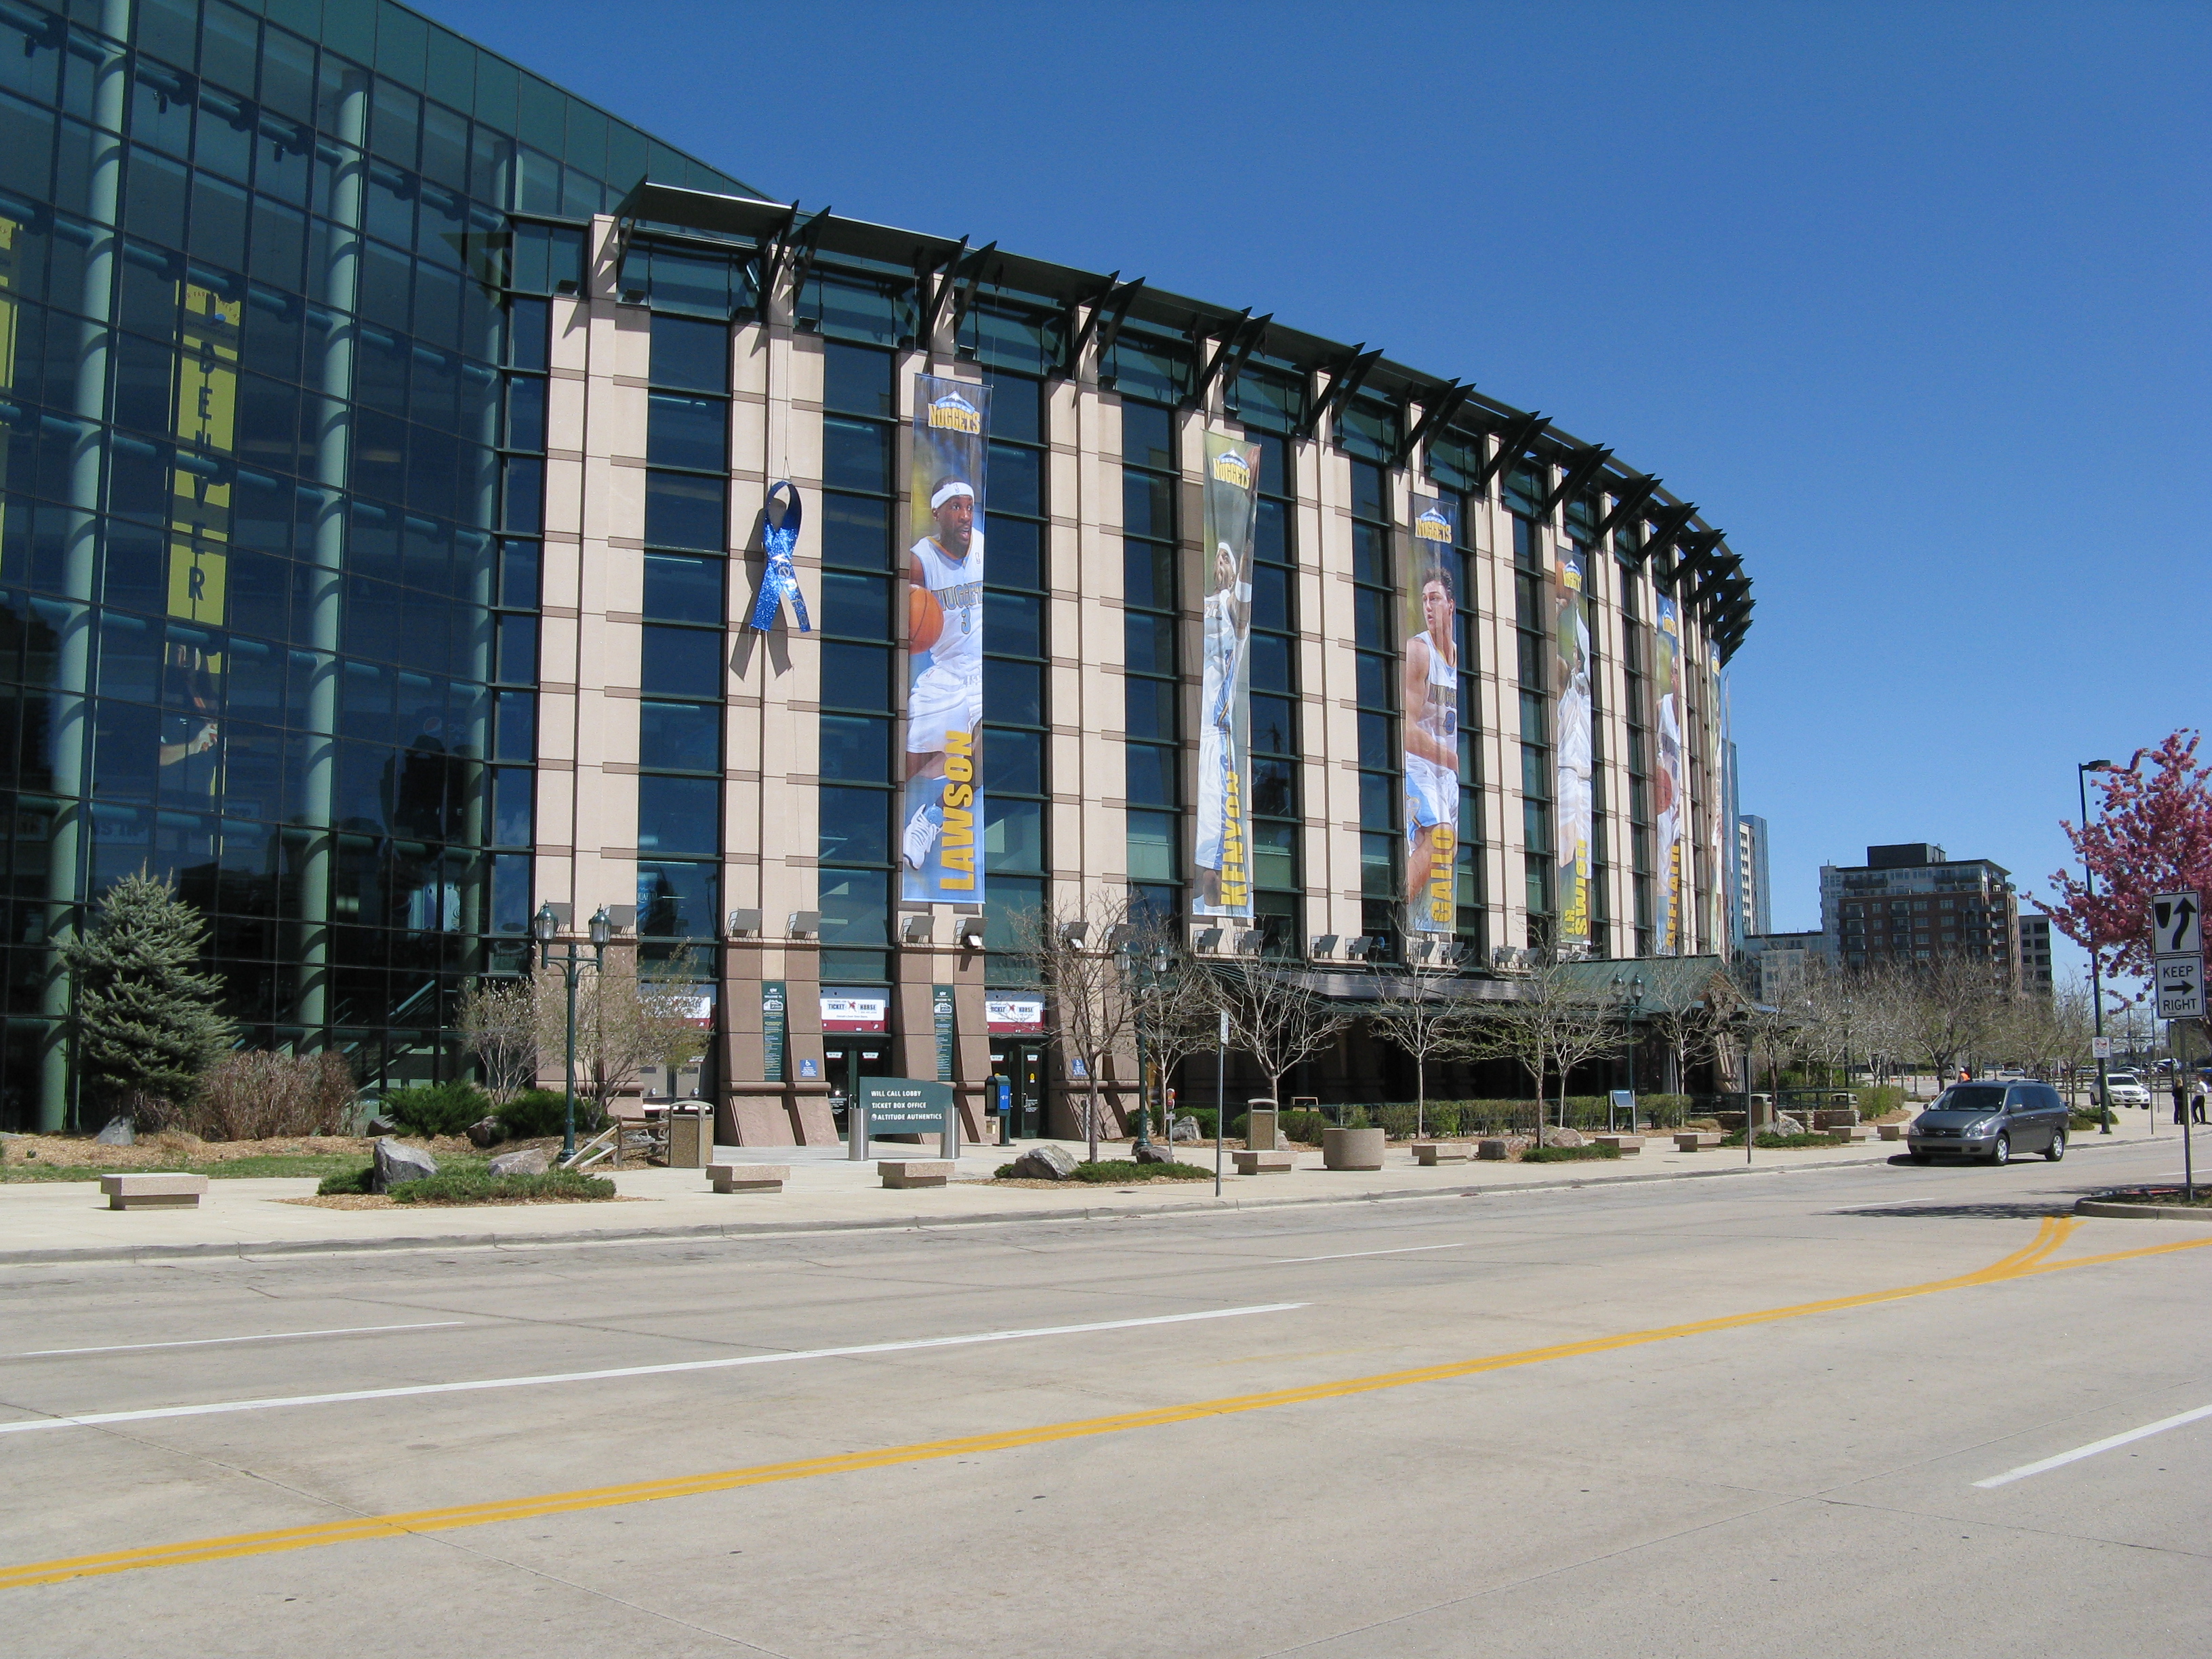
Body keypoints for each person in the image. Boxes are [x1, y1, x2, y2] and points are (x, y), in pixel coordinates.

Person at [901, 478, 985, 871]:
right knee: (908, 765)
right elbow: (907, 614)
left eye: (969, 506)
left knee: (982, 757)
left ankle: (931, 820)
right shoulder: (921, 559)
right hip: (946, 674)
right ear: (937, 512)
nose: (965, 516)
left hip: (982, 675)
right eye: (955, 507)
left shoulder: (985, 546)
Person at [1402, 562, 1459, 924]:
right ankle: (1390, 912)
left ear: (1450, 605)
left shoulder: (1456, 655)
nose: (1428, 606)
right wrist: (1451, 758)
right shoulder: (1419, 652)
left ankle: (1414, 933)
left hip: (1446, 775)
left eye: (1434, 599)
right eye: (1424, 599)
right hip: (1421, 766)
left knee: (1443, 853)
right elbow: (1406, 730)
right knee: (1441, 839)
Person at [1193, 537, 1249, 909]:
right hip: (1205, 718)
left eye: (1226, 558)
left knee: (1218, 813)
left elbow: (1241, 606)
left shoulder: (1231, 604)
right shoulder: (1207, 604)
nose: (1220, 564)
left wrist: (1245, 547)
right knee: (1208, 807)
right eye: (1218, 558)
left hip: (1220, 720)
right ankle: (1205, 896)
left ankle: (1213, 905)